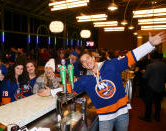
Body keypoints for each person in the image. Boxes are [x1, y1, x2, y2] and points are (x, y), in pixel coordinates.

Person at [36, 32, 166, 131]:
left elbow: (132, 56)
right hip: (104, 118)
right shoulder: (85, 80)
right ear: (84, 66)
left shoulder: (111, 65)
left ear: (93, 58)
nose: (87, 62)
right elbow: (70, 89)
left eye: (88, 59)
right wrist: (52, 92)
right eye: (84, 62)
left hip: (122, 113)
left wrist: (150, 45)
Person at [139, 51, 166, 122]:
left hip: (151, 86)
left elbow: (145, 77)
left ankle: (147, 117)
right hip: (161, 86)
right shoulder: (164, 64)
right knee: (158, 103)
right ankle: (157, 117)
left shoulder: (150, 65)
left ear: (152, 57)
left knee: (148, 103)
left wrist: (143, 72)